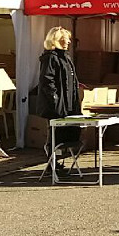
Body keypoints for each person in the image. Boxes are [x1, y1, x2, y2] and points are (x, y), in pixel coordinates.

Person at [37, 27, 81, 167]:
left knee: (65, 134)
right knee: (55, 134)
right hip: (57, 104)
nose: (68, 42)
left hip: (68, 102)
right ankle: (52, 164)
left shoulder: (65, 57)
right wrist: (55, 99)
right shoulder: (50, 57)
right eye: (65, 39)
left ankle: (57, 162)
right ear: (58, 40)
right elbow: (47, 80)